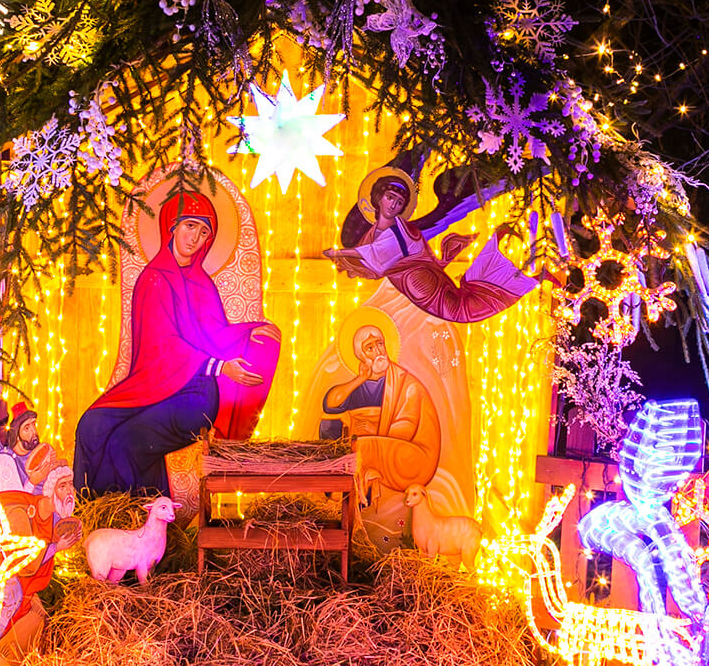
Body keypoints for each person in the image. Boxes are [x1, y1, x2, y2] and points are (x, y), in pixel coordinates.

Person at [74, 189, 281, 495]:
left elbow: (213, 337)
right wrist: (221, 367)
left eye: (203, 231)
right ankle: (99, 515)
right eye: (189, 226)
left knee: (126, 440)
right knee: (92, 425)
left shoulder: (202, 284)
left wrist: (246, 333)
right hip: (155, 386)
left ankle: (138, 520)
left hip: (195, 397)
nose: (195, 237)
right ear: (171, 226)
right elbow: (163, 346)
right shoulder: (153, 279)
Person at [323, 166, 548, 323]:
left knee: (489, 267)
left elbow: (418, 259)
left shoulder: (408, 230)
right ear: (378, 198)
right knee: (472, 297)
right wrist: (339, 252)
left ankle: (529, 254)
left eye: (399, 202)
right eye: (390, 197)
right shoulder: (371, 238)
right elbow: (374, 258)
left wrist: (443, 259)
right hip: (437, 298)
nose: (393, 204)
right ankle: (531, 263)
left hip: (440, 291)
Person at [319, 313, 439, 502]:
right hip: (377, 447)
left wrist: (372, 432)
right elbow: (330, 404)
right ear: (361, 355)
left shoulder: (406, 384)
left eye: (380, 344)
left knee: (359, 448)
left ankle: (351, 491)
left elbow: (406, 428)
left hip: (412, 455)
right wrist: (360, 379)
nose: (378, 352)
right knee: (329, 427)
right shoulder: (361, 384)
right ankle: (341, 487)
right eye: (370, 348)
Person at [0, 400, 45, 497]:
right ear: (17, 435)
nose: (34, 432)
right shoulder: (4, 460)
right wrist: (32, 482)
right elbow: (15, 500)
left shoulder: (39, 452)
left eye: (34, 425)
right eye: (27, 428)